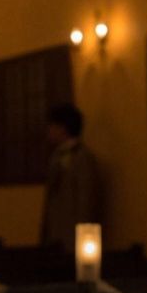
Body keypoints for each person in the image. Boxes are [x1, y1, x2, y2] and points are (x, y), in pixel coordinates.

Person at [39, 102, 103, 252]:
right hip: (56, 233)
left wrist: (84, 236)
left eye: (52, 126)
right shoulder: (56, 156)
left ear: (62, 128)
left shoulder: (83, 158)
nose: (48, 131)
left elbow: (86, 200)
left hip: (73, 234)